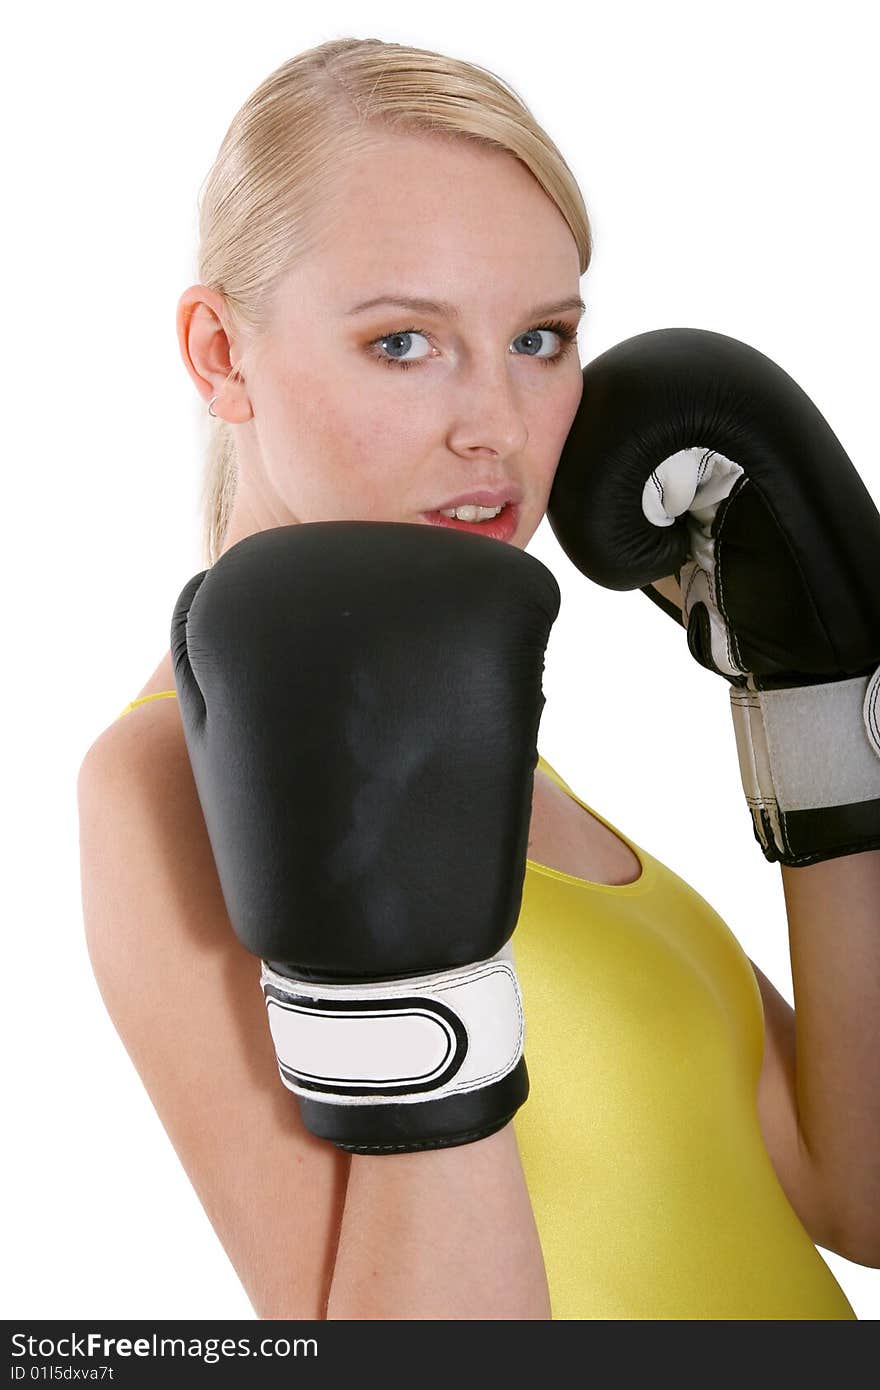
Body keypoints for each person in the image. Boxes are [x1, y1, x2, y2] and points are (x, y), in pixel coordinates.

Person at [77, 36, 864, 1319]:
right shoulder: (157, 781)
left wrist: (826, 715)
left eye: (541, 338)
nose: (495, 422)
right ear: (221, 354)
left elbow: (854, 1191)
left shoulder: (490, 744)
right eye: (403, 343)